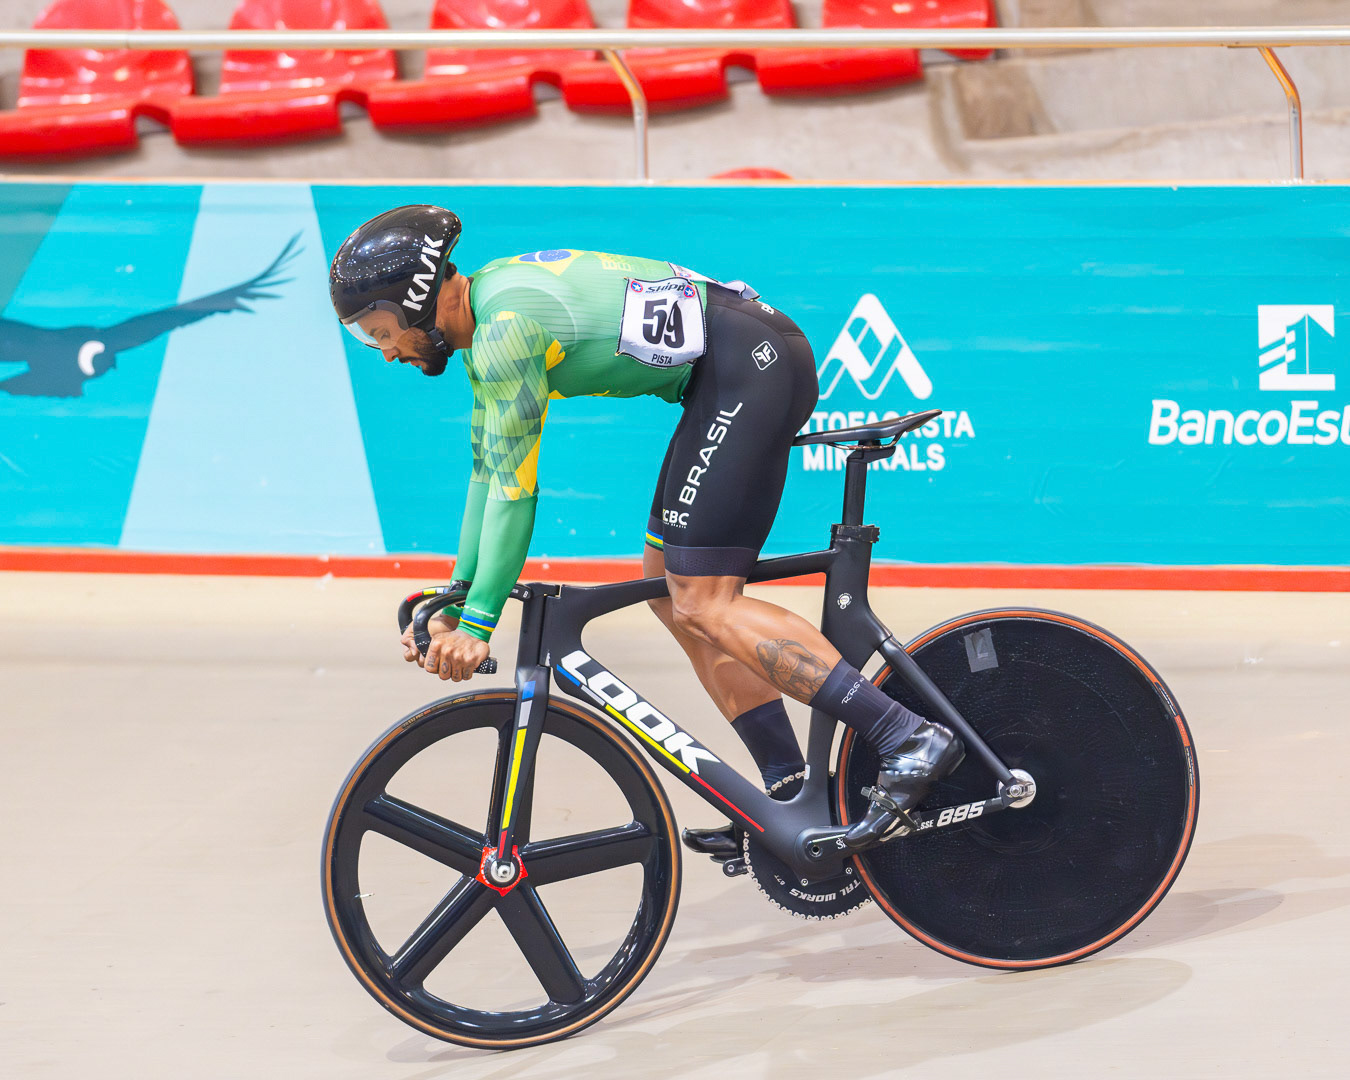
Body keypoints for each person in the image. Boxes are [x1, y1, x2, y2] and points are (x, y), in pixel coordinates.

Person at [328, 205, 963, 851]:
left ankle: (905, 736)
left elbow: (516, 496)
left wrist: (479, 624)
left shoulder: (504, 328)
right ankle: (789, 792)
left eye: (379, 330)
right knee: (668, 594)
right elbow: (485, 478)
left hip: (749, 366)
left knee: (704, 600)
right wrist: (460, 594)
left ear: (417, 301)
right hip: (734, 367)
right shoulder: (489, 318)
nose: (383, 352)